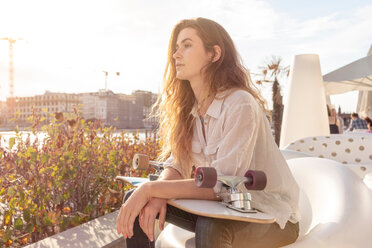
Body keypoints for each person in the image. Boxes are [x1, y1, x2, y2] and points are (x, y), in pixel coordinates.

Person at [116, 17, 300, 248]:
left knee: (211, 226)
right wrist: (155, 195)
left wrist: (152, 188)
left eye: (187, 45)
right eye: (176, 48)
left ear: (214, 54)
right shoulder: (190, 109)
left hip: (271, 216)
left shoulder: (239, 103)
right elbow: (177, 164)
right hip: (225, 209)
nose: (176, 54)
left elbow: (221, 186)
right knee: (136, 201)